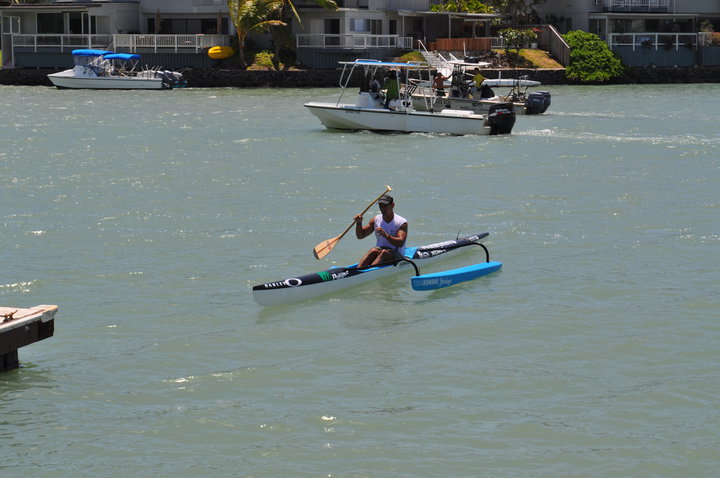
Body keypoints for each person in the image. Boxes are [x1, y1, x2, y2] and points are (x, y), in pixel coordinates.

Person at [354, 194, 408, 268]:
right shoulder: (376, 220)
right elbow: (360, 236)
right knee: (373, 250)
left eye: (385, 206)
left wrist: (386, 235)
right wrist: (359, 223)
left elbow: (400, 243)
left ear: (392, 205)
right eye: (380, 206)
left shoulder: (401, 222)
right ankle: (358, 270)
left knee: (384, 253)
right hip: (381, 250)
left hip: (397, 254)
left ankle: (370, 271)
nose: (382, 208)